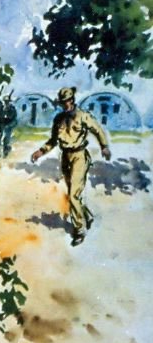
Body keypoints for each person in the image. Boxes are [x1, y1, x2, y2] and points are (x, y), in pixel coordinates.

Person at [31, 87, 111, 246]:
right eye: (62, 102)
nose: (64, 104)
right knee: (73, 193)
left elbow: (97, 130)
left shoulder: (83, 115)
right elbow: (53, 140)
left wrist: (104, 146)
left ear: (72, 100)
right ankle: (87, 216)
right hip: (65, 157)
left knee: (74, 195)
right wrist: (41, 151)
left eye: (66, 101)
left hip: (79, 156)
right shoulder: (59, 119)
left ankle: (79, 230)